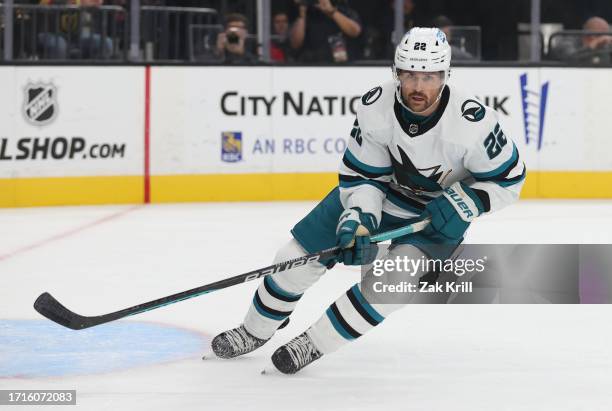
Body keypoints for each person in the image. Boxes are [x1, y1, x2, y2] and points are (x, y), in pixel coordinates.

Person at [210, 28, 526, 374]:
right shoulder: (376, 106)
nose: (419, 87)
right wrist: (357, 219)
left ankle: (312, 343)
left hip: (438, 213)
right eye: (410, 75)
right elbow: (363, 177)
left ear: (446, 75)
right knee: (293, 259)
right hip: (383, 194)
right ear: (396, 73)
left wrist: (466, 202)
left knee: (391, 286)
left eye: (430, 77)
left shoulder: (472, 123)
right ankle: (255, 330)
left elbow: (509, 179)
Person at [290, 0, 362, 63]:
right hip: (313, 67)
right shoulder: (308, 14)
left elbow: (355, 31)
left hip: (341, 67)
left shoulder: (345, 10)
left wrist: (332, 12)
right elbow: (295, 44)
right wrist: (302, 14)